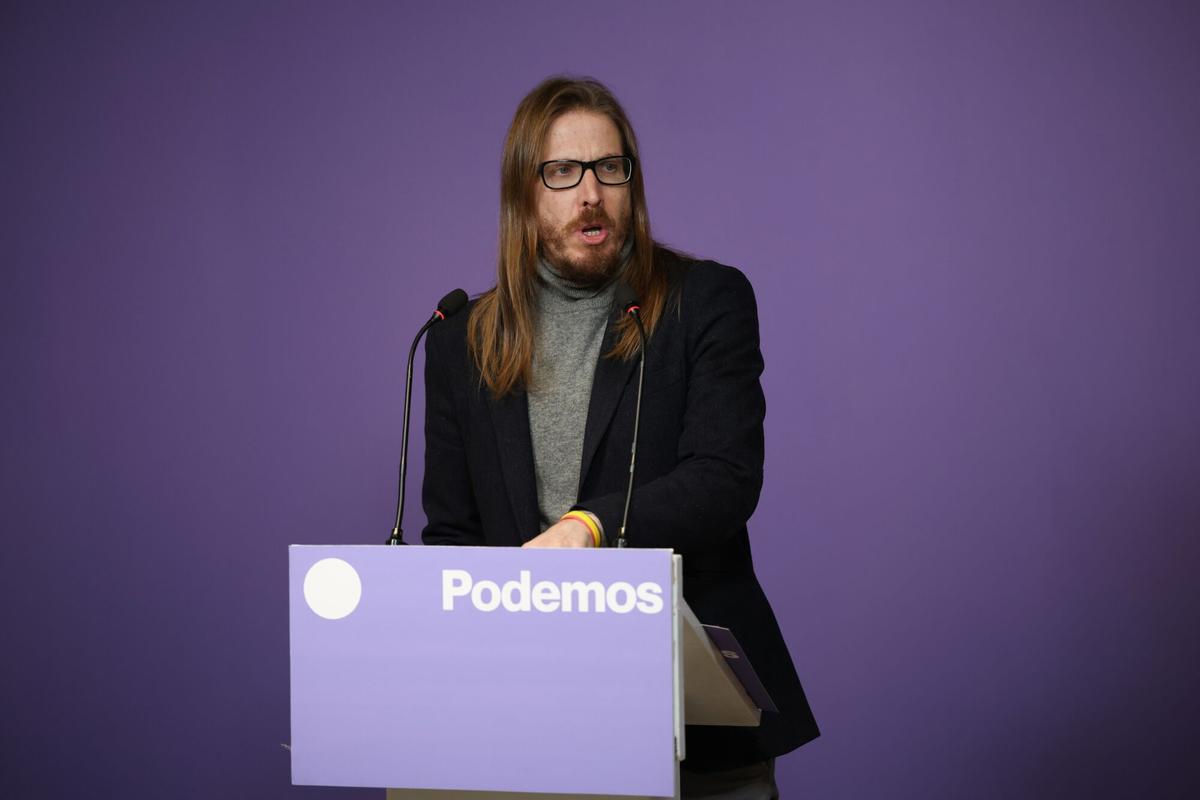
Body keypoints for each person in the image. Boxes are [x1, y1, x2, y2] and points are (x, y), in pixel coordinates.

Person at [422, 76, 819, 798]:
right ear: (524, 193)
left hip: (693, 722)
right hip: (530, 722)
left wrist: (590, 526)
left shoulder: (707, 301)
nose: (590, 194)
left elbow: (725, 478)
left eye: (610, 168)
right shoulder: (460, 343)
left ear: (632, 181)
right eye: (562, 172)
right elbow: (451, 535)